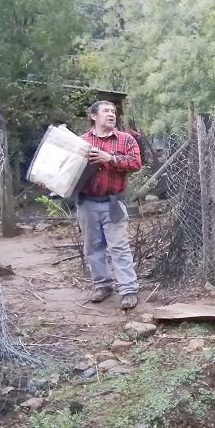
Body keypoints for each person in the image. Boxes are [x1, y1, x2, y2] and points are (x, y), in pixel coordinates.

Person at [78, 101, 143, 310]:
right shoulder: (81, 141)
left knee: (119, 247)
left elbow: (135, 163)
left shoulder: (126, 140)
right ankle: (103, 286)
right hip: (87, 203)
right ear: (93, 116)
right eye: (106, 111)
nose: (111, 114)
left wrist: (110, 158)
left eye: (113, 111)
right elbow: (66, 166)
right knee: (93, 247)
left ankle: (129, 290)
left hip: (113, 202)